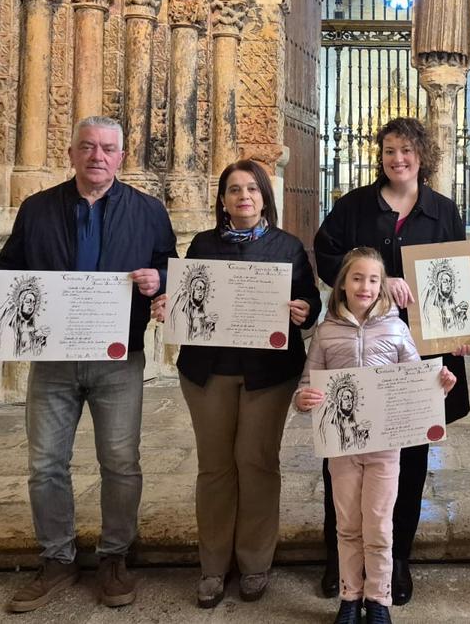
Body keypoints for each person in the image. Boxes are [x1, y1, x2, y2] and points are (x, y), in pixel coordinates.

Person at [0, 116, 176, 612]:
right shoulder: (37, 208)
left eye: (107, 148)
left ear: (121, 157)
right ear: (71, 153)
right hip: (54, 358)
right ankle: (57, 560)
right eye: (87, 147)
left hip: (118, 357)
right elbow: (13, 264)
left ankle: (114, 557)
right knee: (45, 465)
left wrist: (158, 280)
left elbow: (170, 267)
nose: (97, 156)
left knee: (121, 463)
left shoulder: (148, 211)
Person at [314, 117, 470, 606]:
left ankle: (397, 558)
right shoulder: (354, 206)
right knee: (342, 455)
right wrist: (375, 286)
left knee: (409, 458)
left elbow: (458, 277)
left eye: (406, 151)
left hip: (419, 355)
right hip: (360, 351)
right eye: (388, 152)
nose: (397, 160)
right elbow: (324, 256)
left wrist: (463, 331)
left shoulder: (443, 211)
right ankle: (339, 559)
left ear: (422, 156)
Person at [151, 159, 321, 609]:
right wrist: (172, 304)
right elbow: (189, 299)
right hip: (208, 372)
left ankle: (254, 562)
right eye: (233, 189)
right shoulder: (203, 245)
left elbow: (312, 302)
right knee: (215, 466)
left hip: (268, 375)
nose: (243, 196)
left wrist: (303, 309)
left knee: (257, 462)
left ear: (265, 196)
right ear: (223, 200)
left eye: (251, 188)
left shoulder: (288, 247)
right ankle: (212, 565)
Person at [294, 248, 457, 624]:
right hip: (342, 447)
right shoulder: (326, 331)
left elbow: (415, 381)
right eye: (356, 278)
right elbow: (306, 384)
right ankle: (350, 597)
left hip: (385, 447)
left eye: (372, 280)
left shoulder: (397, 328)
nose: (364, 286)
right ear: (342, 285)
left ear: (381, 287)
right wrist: (303, 399)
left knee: (380, 524)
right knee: (348, 523)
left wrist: (440, 384)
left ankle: (378, 598)